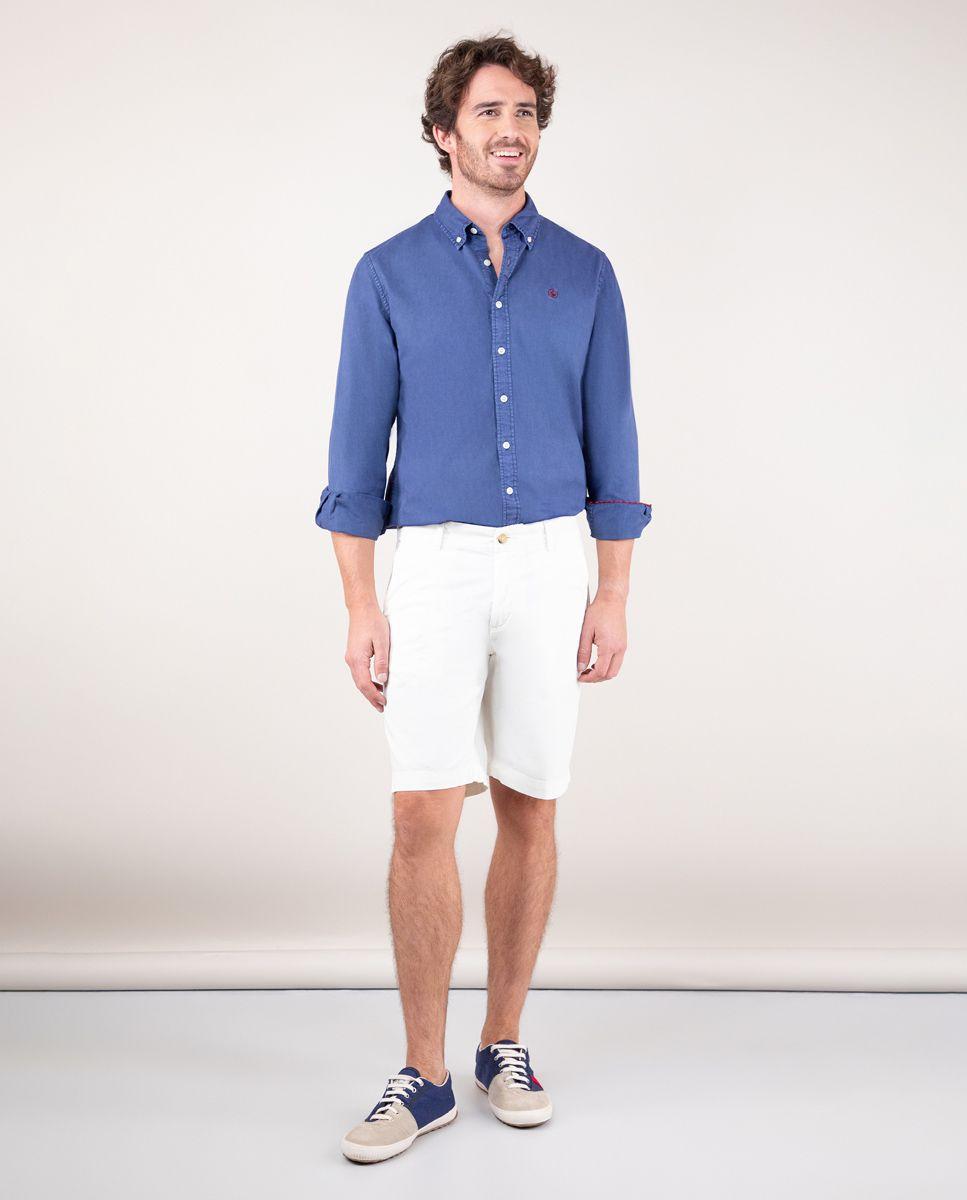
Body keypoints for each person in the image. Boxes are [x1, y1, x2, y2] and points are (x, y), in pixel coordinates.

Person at [314, 33, 652, 1164]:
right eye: (490, 112)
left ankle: (502, 1041)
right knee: (422, 810)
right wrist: (362, 605)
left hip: (554, 561)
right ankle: (422, 1074)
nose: (511, 131)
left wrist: (611, 590)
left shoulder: (585, 272)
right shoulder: (388, 273)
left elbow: (614, 438)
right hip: (436, 562)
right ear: (442, 132)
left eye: (526, 114)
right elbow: (354, 456)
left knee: (530, 802)